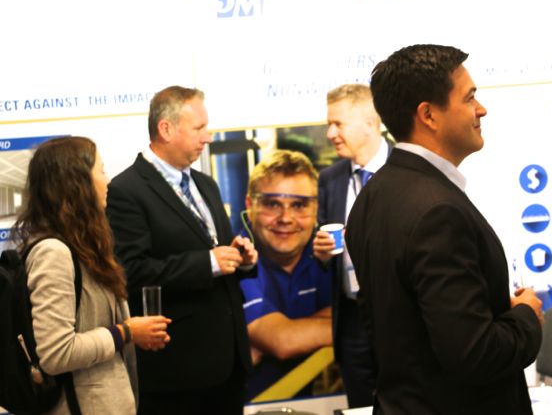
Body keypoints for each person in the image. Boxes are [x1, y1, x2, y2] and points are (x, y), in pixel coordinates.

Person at [344, 44, 544, 414]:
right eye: (469, 98)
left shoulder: (372, 197)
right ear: (429, 115)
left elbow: (404, 332)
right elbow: (475, 354)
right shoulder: (439, 212)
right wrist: (526, 316)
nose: (481, 109)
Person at [106, 86, 258, 415]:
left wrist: (241, 258)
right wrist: (208, 263)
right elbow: (132, 271)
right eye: (199, 128)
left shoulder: (206, 184)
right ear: (166, 129)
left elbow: (216, 250)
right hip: (178, 370)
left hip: (228, 365)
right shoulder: (126, 190)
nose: (208, 137)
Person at [11, 136, 171, 415]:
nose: (108, 181)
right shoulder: (53, 252)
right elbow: (56, 353)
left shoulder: (81, 246)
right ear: (77, 183)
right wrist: (126, 332)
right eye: (101, 171)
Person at [313, 83, 388, 408]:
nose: (330, 133)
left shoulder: (407, 170)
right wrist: (320, 253)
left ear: (370, 124)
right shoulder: (329, 179)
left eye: (338, 124)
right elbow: (323, 253)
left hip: (399, 318)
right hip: (353, 322)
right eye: (329, 124)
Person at [239, 150, 332, 401]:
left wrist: (283, 334)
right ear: (250, 205)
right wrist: (285, 336)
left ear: (316, 208)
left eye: (299, 205)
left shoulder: (325, 254)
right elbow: (283, 341)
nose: (286, 219)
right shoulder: (239, 259)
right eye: (272, 204)